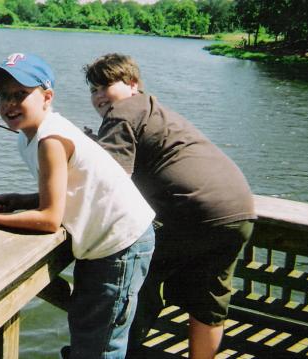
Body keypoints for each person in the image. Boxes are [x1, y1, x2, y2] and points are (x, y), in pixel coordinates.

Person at [0, 53, 156, 359]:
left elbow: (50, 219)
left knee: (100, 345)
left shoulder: (50, 139)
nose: (9, 103)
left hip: (121, 243)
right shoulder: (29, 137)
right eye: (3, 96)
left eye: (20, 95)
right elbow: (68, 190)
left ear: (47, 97)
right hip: (102, 241)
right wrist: (22, 200)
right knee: (88, 324)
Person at [83, 53, 256, 359]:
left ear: (132, 84)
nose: (98, 96)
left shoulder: (122, 110)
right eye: (93, 90)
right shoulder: (153, 110)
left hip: (195, 213)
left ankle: (122, 352)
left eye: (105, 85)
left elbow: (111, 183)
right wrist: (98, 147)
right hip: (239, 211)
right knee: (209, 300)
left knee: (136, 271)